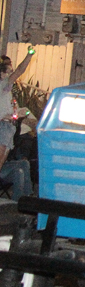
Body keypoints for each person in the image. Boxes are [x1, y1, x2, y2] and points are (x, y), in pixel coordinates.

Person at [0, 51, 35, 201]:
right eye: (8, 71)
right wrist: (29, 55)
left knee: (23, 165)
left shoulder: (7, 92)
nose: (11, 74)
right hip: (3, 127)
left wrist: (15, 114)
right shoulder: (4, 85)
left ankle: (25, 202)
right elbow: (20, 70)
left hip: (8, 128)